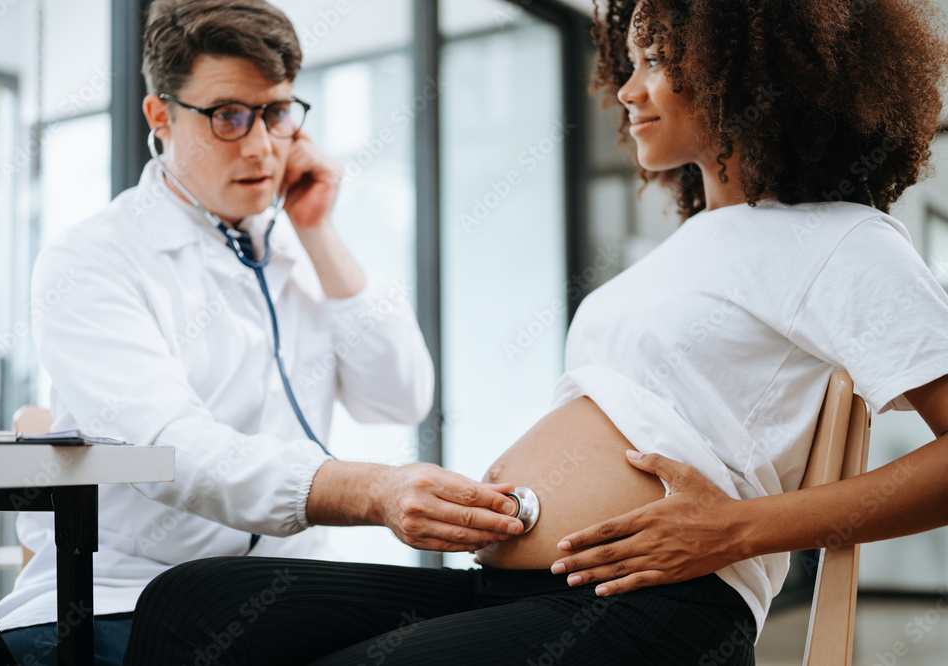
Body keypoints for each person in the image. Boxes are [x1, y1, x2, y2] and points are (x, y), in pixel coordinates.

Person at [121, 0, 948, 663]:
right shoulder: (688, 247)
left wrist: (736, 530)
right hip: (518, 588)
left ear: (749, 70)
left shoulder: (841, 238)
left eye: (656, 60)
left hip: (661, 603)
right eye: (628, 63)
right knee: (192, 604)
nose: (628, 90)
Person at [0, 1, 525, 664]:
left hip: (288, 594)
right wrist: (373, 491)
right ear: (160, 116)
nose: (260, 146)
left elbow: (401, 396)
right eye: (228, 115)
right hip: (124, 596)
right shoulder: (91, 259)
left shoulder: (295, 249)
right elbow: (171, 451)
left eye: (276, 113)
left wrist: (317, 229)